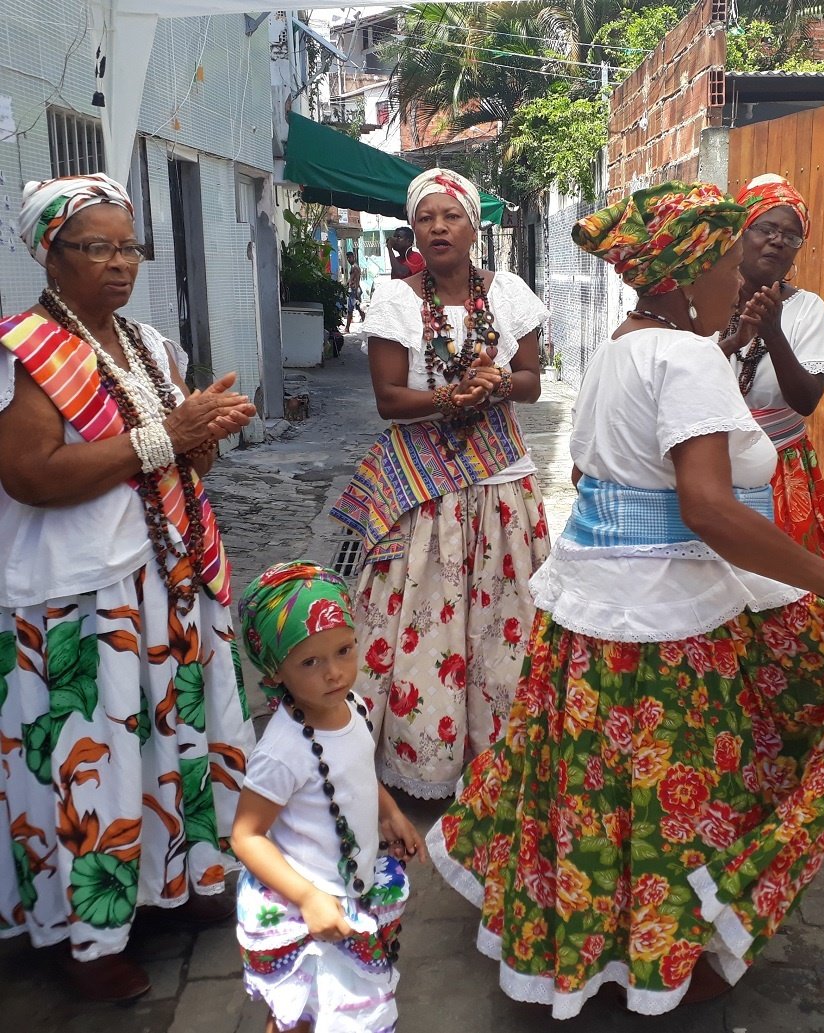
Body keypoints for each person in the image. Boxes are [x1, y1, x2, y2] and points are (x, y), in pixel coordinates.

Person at [427, 181, 824, 1018]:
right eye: (725, 262)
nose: (741, 279)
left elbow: (593, 471)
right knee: (675, 797)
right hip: (662, 623)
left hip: (593, 610)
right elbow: (708, 507)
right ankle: (667, 948)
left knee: (599, 792)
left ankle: (588, 940)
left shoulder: (621, 344)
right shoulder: (683, 356)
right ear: (683, 278)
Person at [0, 173, 258, 1001]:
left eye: (128, 248)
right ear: (50, 252)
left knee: (169, 744)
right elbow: (31, 474)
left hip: (169, 576)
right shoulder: (26, 351)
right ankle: (88, 937)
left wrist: (202, 434)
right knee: (95, 764)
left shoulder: (149, 345)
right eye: (96, 247)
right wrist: (167, 436)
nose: (118, 265)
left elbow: (178, 454)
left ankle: (175, 883)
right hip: (83, 597)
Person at [333, 168, 550, 799]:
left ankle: (504, 761)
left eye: (449, 216)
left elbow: (533, 379)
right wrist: (453, 397)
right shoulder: (396, 300)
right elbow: (389, 399)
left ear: (471, 223)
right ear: (415, 231)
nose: (437, 228)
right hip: (426, 493)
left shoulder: (510, 294)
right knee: (425, 621)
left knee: (504, 623)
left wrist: (498, 384)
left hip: (502, 483)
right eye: (425, 218)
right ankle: (422, 762)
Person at [233, 562, 427, 1033]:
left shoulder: (353, 707)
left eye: (343, 650)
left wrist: (390, 813)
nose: (335, 673)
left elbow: (354, 773)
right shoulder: (282, 751)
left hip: (348, 888)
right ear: (275, 670)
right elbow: (246, 835)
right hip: (306, 903)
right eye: (310, 662)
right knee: (297, 1009)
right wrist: (308, 897)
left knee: (333, 1005)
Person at [722, 173, 824, 570]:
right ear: (741, 232)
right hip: (710, 465)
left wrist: (773, 333)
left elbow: (807, 400)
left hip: (782, 471)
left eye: (791, 237)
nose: (777, 241)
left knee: (786, 591)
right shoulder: (704, 300)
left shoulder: (807, 309)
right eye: (766, 228)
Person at [343, 251, 365, 333]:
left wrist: (355, 293)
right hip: (355, 290)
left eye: (350, 257)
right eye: (347, 258)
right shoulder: (355, 267)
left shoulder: (354, 267)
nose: (348, 259)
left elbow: (354, 281)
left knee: (351, 310)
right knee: (356, 309)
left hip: (354, 291)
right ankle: (348, 328)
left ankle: (347, 328)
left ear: (354, 257)